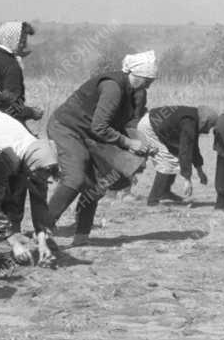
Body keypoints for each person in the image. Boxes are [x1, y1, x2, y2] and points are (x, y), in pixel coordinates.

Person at [45, 50, 157, 245]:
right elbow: (100, 126)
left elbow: (131, 123)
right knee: (76, 177)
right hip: (67, 128)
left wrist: (145, 143)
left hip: (92, 135)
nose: (149, 84)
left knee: (96, 185)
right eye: (147, 79)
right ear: (136, 75)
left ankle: (81, 236)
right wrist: (129, 143)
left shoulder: (138, 93)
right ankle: (43, 229)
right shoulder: (113, 88)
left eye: (151, 80)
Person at [0, 110, 59, 265]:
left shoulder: (40, 157)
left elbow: (39, 203)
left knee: (12, 194)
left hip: (10, 149)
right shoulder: (6, 158)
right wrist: (14, 242)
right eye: (38, 177)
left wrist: (42, 243)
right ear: (31, 168)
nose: (42, 180)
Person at [137, 105, 218, 205]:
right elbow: (185, 150)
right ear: (205, 121)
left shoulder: (193, 119)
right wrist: (187, 179)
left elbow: (193, 148)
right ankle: (153, 200)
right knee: (166, 162)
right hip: (149, 127)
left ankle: (165, 192)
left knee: (174, 157)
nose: (208, 130)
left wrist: (200, 171)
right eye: (210, 126)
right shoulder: (189, 123)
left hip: (154, 123)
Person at [0, 21, 42, 122]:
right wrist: (32, 113)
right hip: (1, 121)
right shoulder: (11, 65)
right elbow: (9, 106)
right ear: (12, 39)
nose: (24, 44)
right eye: (22, 40)